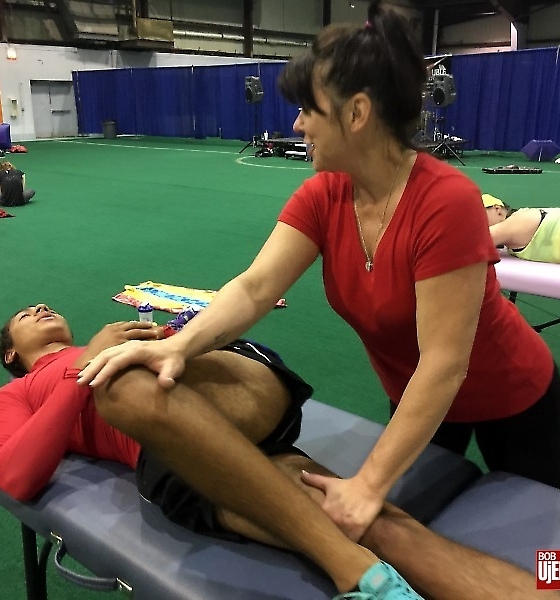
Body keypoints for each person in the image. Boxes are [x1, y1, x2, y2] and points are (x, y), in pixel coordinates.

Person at [79, 0, 560, 554]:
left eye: (308, 109)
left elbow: (444, 363)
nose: (297, 124)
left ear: (357, 113)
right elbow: (255, 288)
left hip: (512, 395)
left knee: (542, 552)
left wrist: (369, 484)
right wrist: (177, 347)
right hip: (414, 397)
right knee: (426, 532)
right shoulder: (323, 194)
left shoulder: (445, 201)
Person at [0, 304, 549, 600]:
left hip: (233, 391)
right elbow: (12, 473)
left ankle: (355, 572)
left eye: (44, 305)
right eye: (25, 315)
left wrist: (164, 340)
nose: (41, 308)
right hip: (178, 456)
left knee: (134, 376)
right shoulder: (14, 394)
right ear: (11, 355)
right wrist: (82, 372)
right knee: (375, 525)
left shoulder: (110, 337)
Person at [483, 193, 560, 264]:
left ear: (497, 209)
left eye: (479, 214)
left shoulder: (517, 221)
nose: (477, 222)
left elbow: (478, 242)